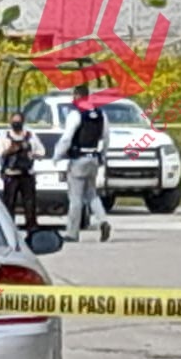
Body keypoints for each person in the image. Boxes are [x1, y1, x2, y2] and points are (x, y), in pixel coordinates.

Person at [54, 85, 112, 243]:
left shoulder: (76, 114)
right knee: (92, 194)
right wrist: (103, 155)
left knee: (76, 198)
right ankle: (103, 221)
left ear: (77, 96)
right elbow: (106, 137)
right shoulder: (101, 114)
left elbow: (67, 138)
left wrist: (57, 156)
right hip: (93, 158)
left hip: (78, 159)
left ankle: (72, 233)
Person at [0, 112, 45, 232]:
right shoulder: (4, 136)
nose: (16, 124)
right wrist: (10, 150)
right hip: (11, 174)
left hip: (27, 174)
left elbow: (42, 152)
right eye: (14, 121)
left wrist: (32, 154)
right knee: (9, 202)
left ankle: (31, 227)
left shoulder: (30, 136)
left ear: (23, 122)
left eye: (18, 121)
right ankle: (9, 227)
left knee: (29, 202)